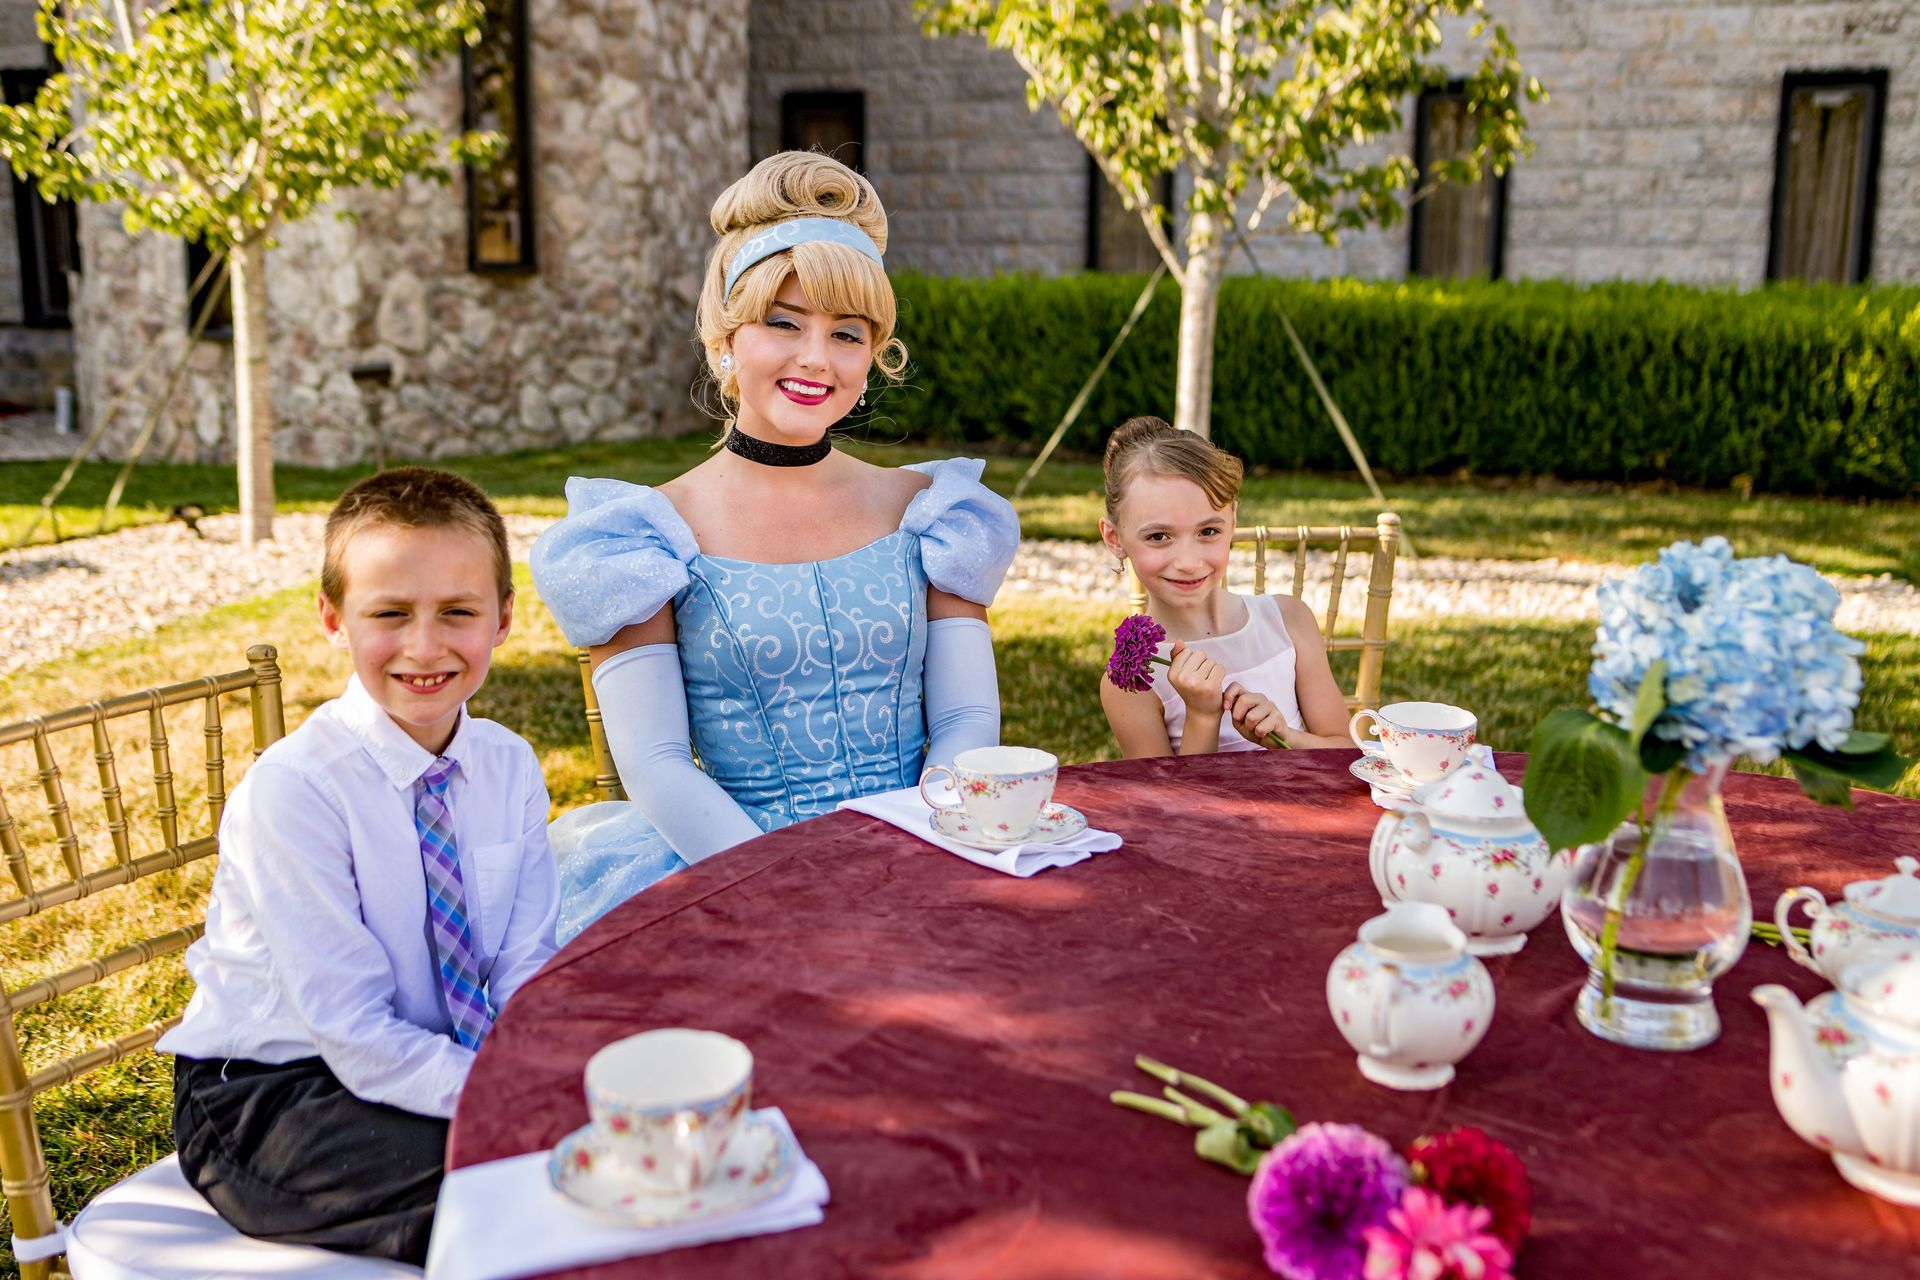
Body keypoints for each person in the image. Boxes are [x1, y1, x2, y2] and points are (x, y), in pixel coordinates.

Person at [531, 151, 1018, 943]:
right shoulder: (642, 536)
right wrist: (789, 891)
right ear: (726, 336)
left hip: (922, 849)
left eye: (846, 334)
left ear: (874, 355)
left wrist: (922, 847)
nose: (816, 359)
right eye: (782, 324)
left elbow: (966, 714)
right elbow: (655, 765)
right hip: (730, 870)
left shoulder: (933, 513)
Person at [158, 468, 559, 1264]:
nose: (425, 646)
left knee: (601, 1158)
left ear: (504, 618)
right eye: (390, 614)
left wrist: (543, 1073)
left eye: (458, 612)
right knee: (523, 1189)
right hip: (270, 1096)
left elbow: (524, 966)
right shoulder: (297, 791)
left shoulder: (509, 767)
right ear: (333, 621)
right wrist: (513, 1101)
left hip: (431, 1058)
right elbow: (351, 1030)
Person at [1098, 416, 1355, 757]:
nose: (1188, 561)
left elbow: (1347, 752)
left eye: (1208, 531)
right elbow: (1165, 804)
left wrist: (1285, 737)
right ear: (1114, 539)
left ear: (1232, 521)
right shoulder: (1134, 679)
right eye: (1159, 536)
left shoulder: (1289, 621)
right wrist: (1202, 716)